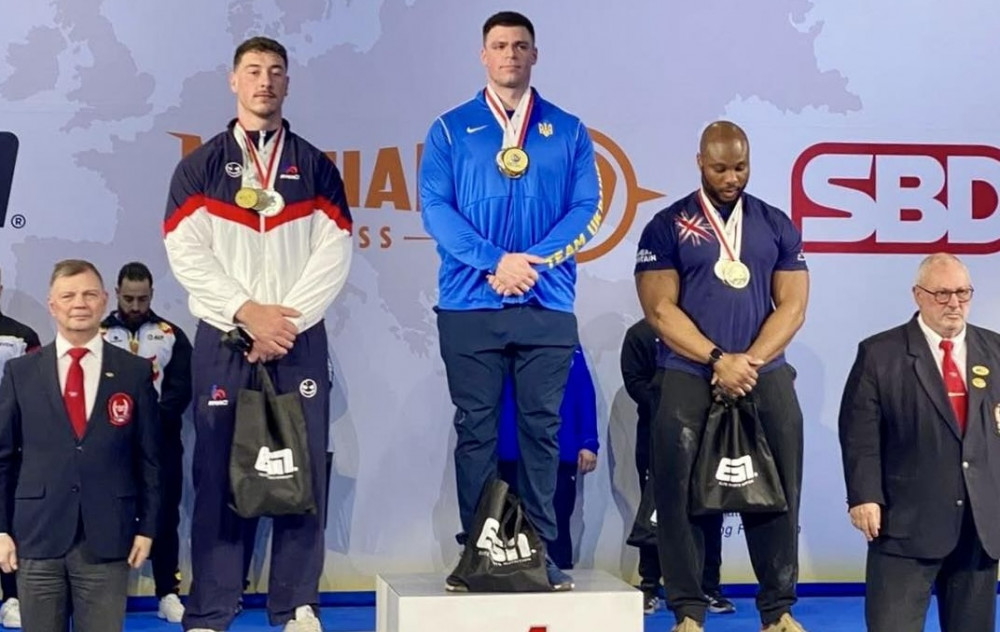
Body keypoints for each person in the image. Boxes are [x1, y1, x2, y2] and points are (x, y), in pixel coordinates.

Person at [163, 36, 353, 632]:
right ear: (233, 80)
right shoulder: (200, 167)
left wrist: (283, 323)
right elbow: (185, 252)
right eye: (253, 71)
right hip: (226, 338)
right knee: (218, 467)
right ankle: (211, 607)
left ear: (288, 83)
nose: (264, 81)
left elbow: (334, 251)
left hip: (296, 338)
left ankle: (296, 604)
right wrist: (246, 313)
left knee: (301, 468)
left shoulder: (316, 166)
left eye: (275, 71)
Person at [419, 10, 602, 592]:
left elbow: (587, 209)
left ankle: (539, 553)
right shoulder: (450, 129)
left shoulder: (569, 130)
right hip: (469, 303)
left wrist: (531, 263)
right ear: (484, 55)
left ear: (534, 55)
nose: (510, 55)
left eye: (520, 46)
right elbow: (435, 209)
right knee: (476, 432)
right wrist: (494, 261)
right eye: (499, 46)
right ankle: (478, 551)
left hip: (546, 303)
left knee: (541, 433)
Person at [634, 121, 809, 632]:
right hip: (688, 372)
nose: (732, 178)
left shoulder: (775, 223)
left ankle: (778, 611)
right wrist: (717, 360)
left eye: (740, 167)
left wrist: (747, 362)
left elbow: (793, 306)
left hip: (762, 372)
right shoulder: (666, 225)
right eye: (720, 168)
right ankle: (688, 612)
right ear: (699, 163)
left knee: (779, 493)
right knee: (679, 496)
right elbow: (659, 310)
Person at [839, 253, 1000, 632]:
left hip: (979, 526)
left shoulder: (996, 350)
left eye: (962, 293)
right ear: (918, 295)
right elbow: (860, 432)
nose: (954, 303)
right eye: (942, 294)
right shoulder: (879, 353)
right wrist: (864, 495)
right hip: (904, 523)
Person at [0, 259, 160, 632]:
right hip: (37, 536)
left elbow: (150, 459)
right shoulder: (21, 373)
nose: (79, 304)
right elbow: (3, 458)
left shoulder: (134, 372)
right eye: (68, 295)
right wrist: (1, 528)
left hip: (108, 536)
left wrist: (148, 528)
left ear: (104, 300)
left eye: (89, 294)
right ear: (52, 305)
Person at [620, 318, 735, 616]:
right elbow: (634, 382)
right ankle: (649, 585)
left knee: (711, 511)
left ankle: (709, 587)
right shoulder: (640, 334)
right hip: (657, 435)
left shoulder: (708, 331)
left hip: (708, 436)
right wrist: (673, 401)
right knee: (655, 511)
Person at [101, 261, 192, 624]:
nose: (135, 306)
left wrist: (150, 426)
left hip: (161, 443)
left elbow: (181, 389)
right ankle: (108, 594)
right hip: (110, 444)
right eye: (128, 298)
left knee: (164, 515)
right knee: (109, 516)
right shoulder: (99, 334)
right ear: (117, 293)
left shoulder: (171, 334)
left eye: (142, 298)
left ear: (152, 294)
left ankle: (168, 592)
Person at [497, 345, 599, 569]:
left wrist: (589, 441)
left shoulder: (567, 342)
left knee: (558, 520)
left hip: (560, 448)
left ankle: (559, 572)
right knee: (511, 522)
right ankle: (511, 576)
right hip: (512, 448)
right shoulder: (504, 340)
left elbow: (582, 389)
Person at [0, 267, 42, 629]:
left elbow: (36, 393)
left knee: (9, 521)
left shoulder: (22, 336)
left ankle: (12, 597)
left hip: (9, 447)